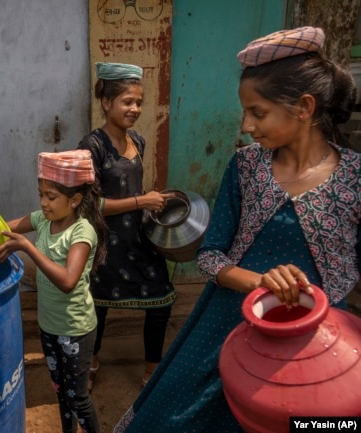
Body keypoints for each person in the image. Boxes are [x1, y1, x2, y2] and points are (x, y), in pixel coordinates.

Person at [113, 26, 361, 433]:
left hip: (320, 346)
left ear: (304, 106)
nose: (246, 125)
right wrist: (261, 282)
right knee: (176, 417)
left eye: (257, 112)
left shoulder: (355, 178)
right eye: (245, 112)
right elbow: (210, 256)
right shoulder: (247, 168)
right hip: (226, 324)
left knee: (305, 422)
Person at [0, 149, 107, 433]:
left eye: (51, 197)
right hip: (50, 326)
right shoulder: (43, 221)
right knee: (60, 390)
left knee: (77, 398)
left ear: (75, 200)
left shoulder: (81, 232)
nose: (43, 203)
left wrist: (27, 247)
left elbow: (68, 281)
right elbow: (2, 228)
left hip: (75, 329)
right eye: (41, 194)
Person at [77, 62, 177, 391]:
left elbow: (136, 191)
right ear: (106, 102)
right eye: (126, 102)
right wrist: (140, 202)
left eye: (138, 102)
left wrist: (154, 201)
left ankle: (152, 370)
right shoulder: (91, 146)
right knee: (100, 306)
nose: (134, 109)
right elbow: (90, 205)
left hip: (140, 237)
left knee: (162, 298)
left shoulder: (138, 140)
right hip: (106, 242)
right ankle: (91, 360)